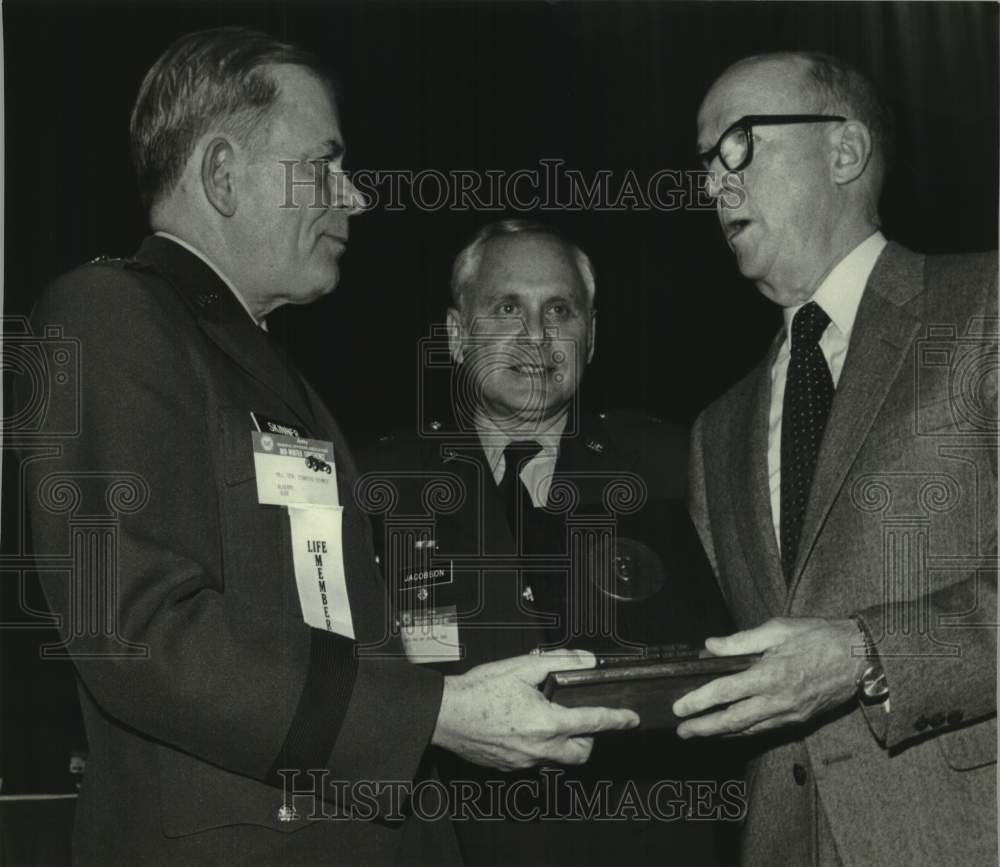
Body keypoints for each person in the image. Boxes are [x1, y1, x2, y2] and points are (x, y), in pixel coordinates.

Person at [17, 28, 639, 866]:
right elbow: (134, 632)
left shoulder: (259, 364)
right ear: (223, 174)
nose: (355, 196)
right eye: (326, 164)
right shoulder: (107, 315)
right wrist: (435, 714)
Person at [679, 50, 997, 865]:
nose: (715, 184)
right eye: (705, 164)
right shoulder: (715, 430)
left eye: (739, 145)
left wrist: (864, 654)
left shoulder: (985, 307)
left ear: (845, 151)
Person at [358, 219, 740, 867]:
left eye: (559, 309)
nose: (535, 335)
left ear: (591, 336)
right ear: (457, 334)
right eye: (508, 307)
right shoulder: (378, 482)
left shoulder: (671, 464)